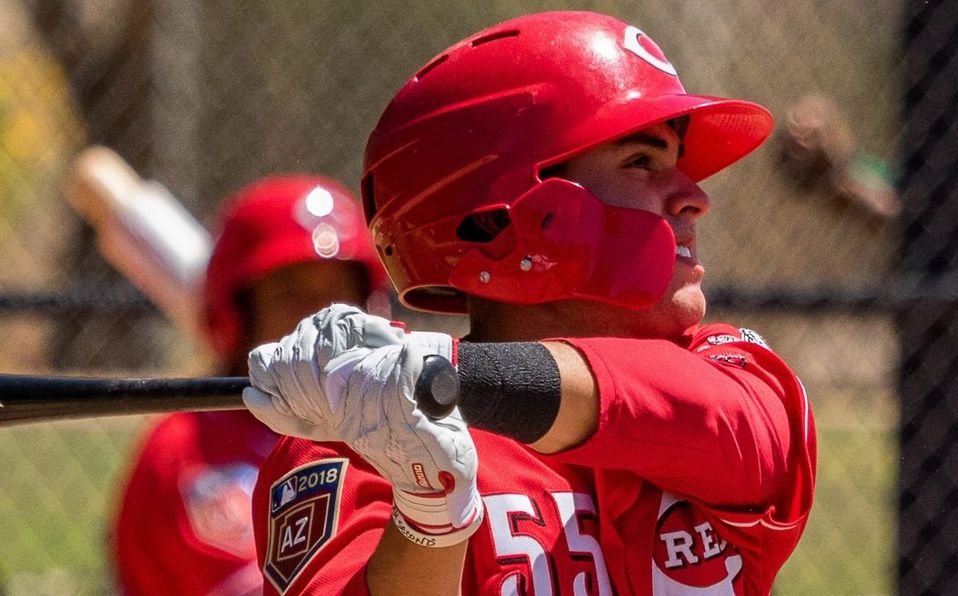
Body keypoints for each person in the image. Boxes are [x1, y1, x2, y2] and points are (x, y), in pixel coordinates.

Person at [243, 11, 817, 595]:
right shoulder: (366, 433)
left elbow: (736, 432)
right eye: (642, 163)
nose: (695, 198)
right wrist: (428, 516)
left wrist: (443, 375)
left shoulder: (728, 371)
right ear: (499, 218)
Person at [112, 175, 386, 595]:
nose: (321, 319)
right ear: (239, 315)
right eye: (290, 294)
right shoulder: (187, 451)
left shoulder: (400, 431)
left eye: (337, 293)